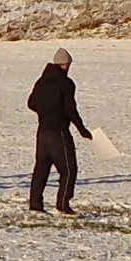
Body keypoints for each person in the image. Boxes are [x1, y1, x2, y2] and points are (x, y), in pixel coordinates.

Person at [26, 49, 95, 215]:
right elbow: (71, 110)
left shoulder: (41, 81)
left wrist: (45, 113)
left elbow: (31, 103)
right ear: (65, 65)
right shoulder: (66, 84)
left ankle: (35, 204)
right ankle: (63, 205)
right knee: (69, 170)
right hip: (59, 133)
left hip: (42, 132)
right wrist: (82, 129)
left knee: (41, 169)